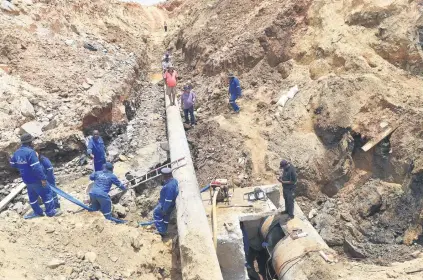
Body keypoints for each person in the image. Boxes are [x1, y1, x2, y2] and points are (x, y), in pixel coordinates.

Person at [9, 133, 59, 218]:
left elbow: (12, 164)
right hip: (37, 180)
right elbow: (36, 168)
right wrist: (43, 179)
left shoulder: (17, 153)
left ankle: (38, 213)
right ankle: (50, 212)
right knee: (47, 194)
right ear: (30, 142)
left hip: (27, 181)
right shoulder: (31, 153)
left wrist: (23, 167)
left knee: (32, 198)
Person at [153, 168, 179, 236]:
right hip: (171, 205)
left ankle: (161, 231)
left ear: (164, 176)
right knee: (166, 216)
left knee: (156, 213)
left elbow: (168, 200)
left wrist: (164, 209)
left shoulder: (169, 187)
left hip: (166, 204)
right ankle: (164, 228)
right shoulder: (174, 181)